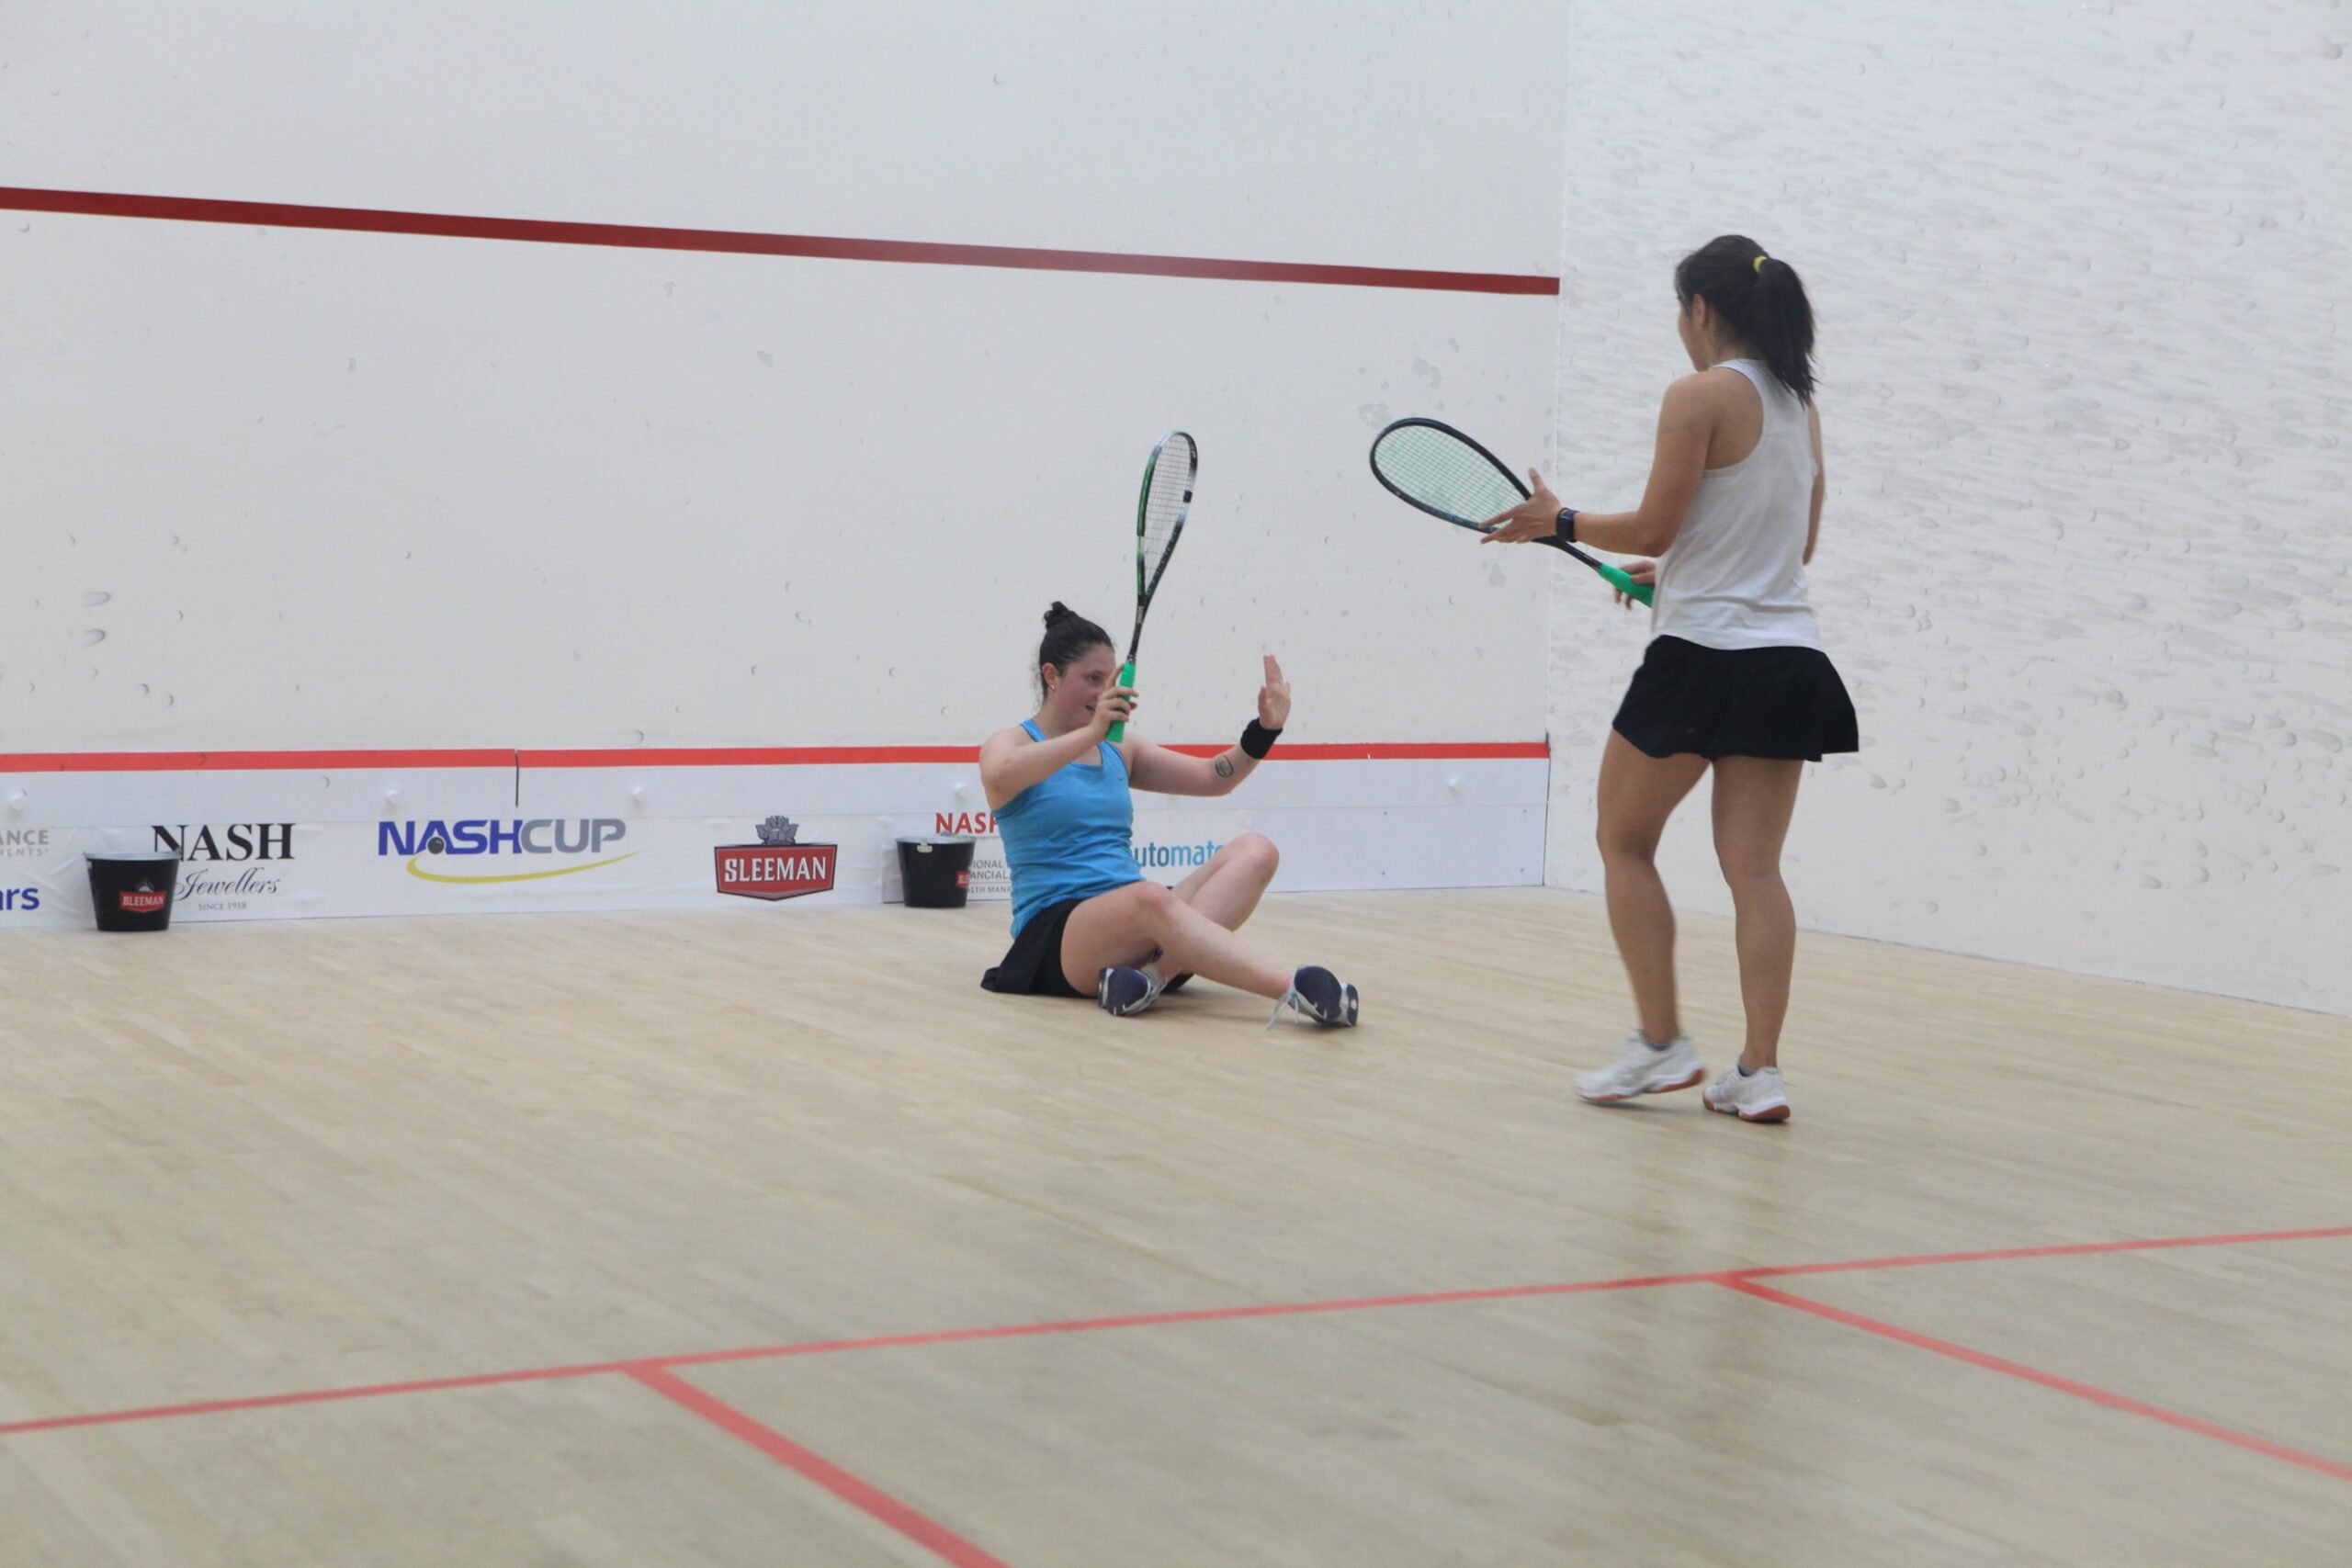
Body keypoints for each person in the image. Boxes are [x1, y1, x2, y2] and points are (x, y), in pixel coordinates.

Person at [1482, 235, 1857, 1122]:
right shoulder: (1800, 405)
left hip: (1699, 659)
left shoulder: (1698, 396)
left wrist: (1559, 520)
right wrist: (1682, 569)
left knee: (1624, 841)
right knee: (1755, 870)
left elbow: (1653, 525)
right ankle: (1759, 1071)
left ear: (1700, 309)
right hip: (1788, 662)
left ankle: (1660, 1045)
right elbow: (1792, 546)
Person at [976, 603, 1359, 1026]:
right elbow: (999, 774)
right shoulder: (1010, 744)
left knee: (1256, 850)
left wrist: (1265, 731)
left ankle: (1150, 978)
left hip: (1142, 923)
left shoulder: (1119, 749)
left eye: (1109, 680)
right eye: (1092, 679)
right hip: (1059, 939)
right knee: (1150, 897)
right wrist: (1091, 733)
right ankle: (1295, 990)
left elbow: (1213, 778)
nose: (1104, 692)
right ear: (1052, 675)